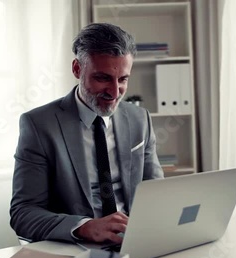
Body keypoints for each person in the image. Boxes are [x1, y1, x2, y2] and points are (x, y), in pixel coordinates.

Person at [9, 23, 164, 245]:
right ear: (77, 69)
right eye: (102, 78)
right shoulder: (38, 125)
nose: (114, 92)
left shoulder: (140, 119)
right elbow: (23, 213)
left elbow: (156, 192)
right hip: (77, 246)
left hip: (133, 240)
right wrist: (85, 227)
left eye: (123, 80)